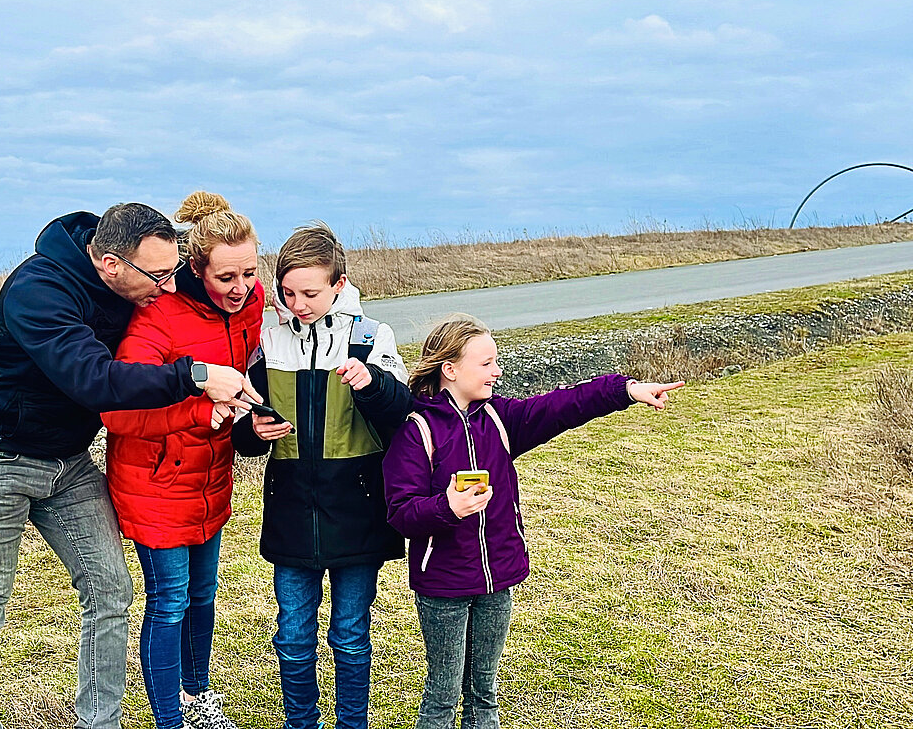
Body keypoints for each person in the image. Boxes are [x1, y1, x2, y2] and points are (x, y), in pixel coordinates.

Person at [0, 203, 258, 729]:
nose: (168, 287)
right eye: (158, 277)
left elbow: (217, 279)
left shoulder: (139, 272)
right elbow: (94, 380)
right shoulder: (38, 291)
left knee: (111, 590)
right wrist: (197, 375)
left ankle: (99, 721)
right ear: (111, 265)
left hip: (67, 462)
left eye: (173, 271)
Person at [382, 314, 683, 729]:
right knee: (442, 697)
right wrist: (447, 508)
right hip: (444, 587)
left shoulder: (500, 418)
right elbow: (401, 513)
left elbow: (565, 405)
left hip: (497, 580)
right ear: (450, 369)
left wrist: (626, 390)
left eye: (495, 361)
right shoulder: (417, 430)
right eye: (486, 363)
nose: (497, 371)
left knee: (484, 695)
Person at [232, 222, 412, 729]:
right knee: (292, 637)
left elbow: (403, 415)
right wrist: (253, 431)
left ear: (339, 284)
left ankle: (353, 723)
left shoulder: (372, 337)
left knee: (350, 635)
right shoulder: (267, 340)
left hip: (358, 513)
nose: (298, 305)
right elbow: (244, 427)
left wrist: (372, 383)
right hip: (291, 513)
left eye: (310, 293)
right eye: (288, 293)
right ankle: (300, 723)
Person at [101, 192, 264, 729]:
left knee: (203, 595)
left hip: (210, 476)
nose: (240, 288)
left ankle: (198, 697)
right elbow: (117, 413)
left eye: (249, 273)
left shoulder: (252, 302)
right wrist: (200, 410)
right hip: (156, 481)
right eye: (226, 277)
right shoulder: (156, 318)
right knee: (169, 600)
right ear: (195, 268)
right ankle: (169, 718)